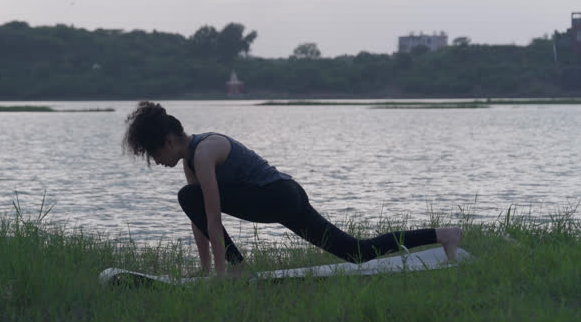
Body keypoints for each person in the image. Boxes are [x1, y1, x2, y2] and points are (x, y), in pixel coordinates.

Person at [122, 101, 463, 277]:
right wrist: (205, 269)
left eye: (154, 153)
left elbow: (212, 217)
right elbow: (200, 222)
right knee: (355, 253)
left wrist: (224, 275)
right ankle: (443, 234)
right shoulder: (190, 161)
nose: (156, 161)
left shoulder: (205, 152)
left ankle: (237, 268)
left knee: (188, 197)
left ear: (168, 140)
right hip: (284, 197)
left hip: (277, 196)